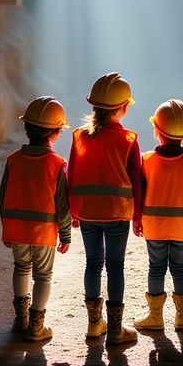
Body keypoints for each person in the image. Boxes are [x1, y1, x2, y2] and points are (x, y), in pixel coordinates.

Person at [67, 72, 142, 345]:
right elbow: (136, 181)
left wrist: (73, 211)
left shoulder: (78, 136)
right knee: (115, 266)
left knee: (93, 264)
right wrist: (138, 216)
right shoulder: (129, 140)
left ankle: (93, 325)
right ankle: (116, 330)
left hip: (86, 211)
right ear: (123, 108)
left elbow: (70, 175)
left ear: (93, 106)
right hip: (117, 213)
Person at [0, 96, 72, 342]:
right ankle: (36, 327)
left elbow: (3, 197)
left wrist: (6, 228)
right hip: (44, 231)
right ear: (57, 132)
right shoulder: (57, 164)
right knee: (43, 276)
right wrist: (66, 234)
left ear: (26, 127)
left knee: (21, 268)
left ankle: (21, 321)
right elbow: (62, 206)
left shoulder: (13, 160)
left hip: (16, 228)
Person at [133, 99, 183, 332]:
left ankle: (156, 317)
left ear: (156, 131)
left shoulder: (146, 161)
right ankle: (182, 317)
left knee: (156, 268)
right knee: (179, 267)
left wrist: (137, 219)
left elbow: (140, 193)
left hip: (154, 225)